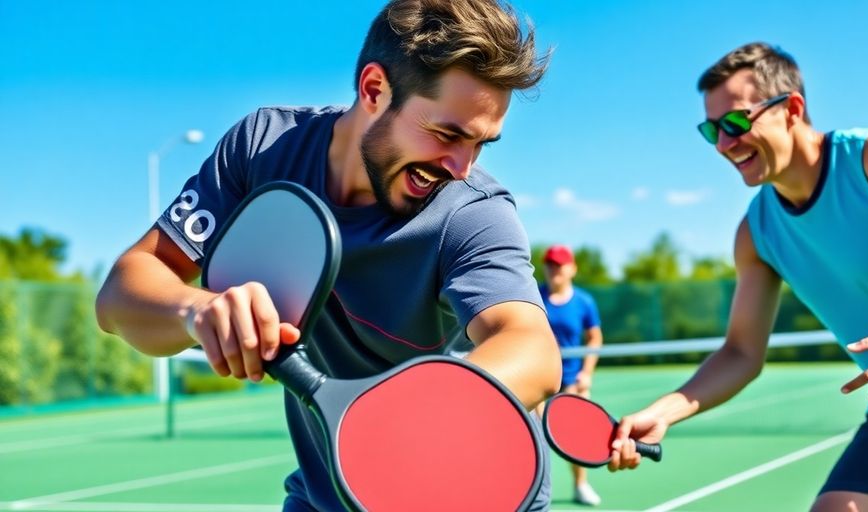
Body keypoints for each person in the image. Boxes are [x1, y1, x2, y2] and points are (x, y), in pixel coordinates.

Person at [95, 1, 563, 510]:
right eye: (447, 134)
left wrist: (410, 411)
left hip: (470, 492)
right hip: (331, 490)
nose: (460, 166)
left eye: (481, 145)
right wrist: (197, 310)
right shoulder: (264, 150)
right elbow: (120, 296)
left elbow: (531, 350)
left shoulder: (473, 213)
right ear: (374, 90)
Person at [607, 42, 868, 512]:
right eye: (712, 131)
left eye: (737, 122)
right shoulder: (757, 232)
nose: (724, 143)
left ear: (792, 109)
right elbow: (742, 352)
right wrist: (663, 412)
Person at [536, 244, 604, 506]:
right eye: (550, 264)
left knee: (576, 435)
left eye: (560, 264)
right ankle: (536, 491)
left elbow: (594, 337)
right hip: (540, 379)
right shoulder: (533, 297)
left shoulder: (584, 302)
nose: (555, 269)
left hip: (573, 379)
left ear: (572, 269)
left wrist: (586, 373)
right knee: (537, 434)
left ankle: (580, 484)